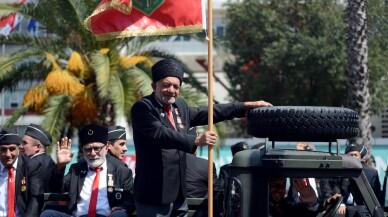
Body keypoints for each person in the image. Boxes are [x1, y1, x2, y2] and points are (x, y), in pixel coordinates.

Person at [130, 58, 272, 216]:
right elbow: (160, 133)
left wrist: (244, 107)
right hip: (154, 194)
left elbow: (210, 112)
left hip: (178, 195)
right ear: (154, 86)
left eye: (176, 86)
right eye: (166, 85)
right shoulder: (143, 108)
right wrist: (195, 140)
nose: (171, 90)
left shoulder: (180, 106)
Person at [40, 124, 135, 217]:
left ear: (106, 148)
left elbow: (131, 199)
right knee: (48, 214)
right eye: (88, 149)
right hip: (78, 215)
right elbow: (56, 188)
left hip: (106, 215)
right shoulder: (77, 169)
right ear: (83, 150)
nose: (93, 153)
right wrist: (60, 166)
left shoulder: (121, 170)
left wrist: (122, 208)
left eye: (97, 148)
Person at [0, 128, 43, 217]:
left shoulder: (31, 166)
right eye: (3, 149)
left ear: (19, 149)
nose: (8, 154)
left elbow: (35, 199)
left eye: (12, 149)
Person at [269, 177, 340, 217]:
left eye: (282, 186)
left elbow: (302, 212)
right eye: (274, 185)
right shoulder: (260, 207)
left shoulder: (284, 205)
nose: (279, 190)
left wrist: (312, 203)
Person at [20, 123, 56, 192]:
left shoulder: (34, 164)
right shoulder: (47, 160)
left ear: (37, 147)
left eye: (24, 143)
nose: (20, 146)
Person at [186, 147, 222, 216]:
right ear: (196, 150)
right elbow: (217, 191)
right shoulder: (207, 165)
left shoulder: (171, 163)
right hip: (203, 213)